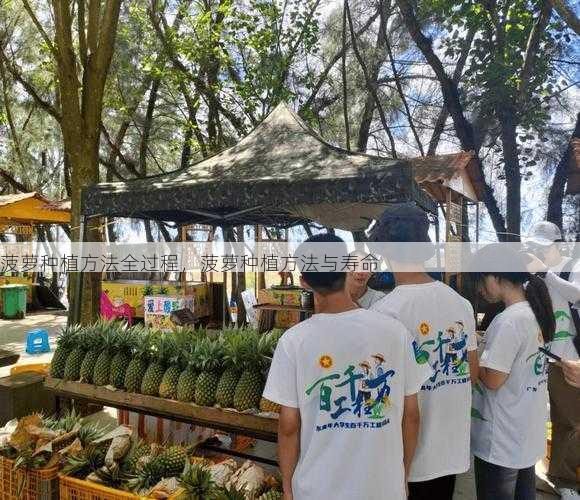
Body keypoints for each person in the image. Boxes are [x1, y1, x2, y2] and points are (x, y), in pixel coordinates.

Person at [263, 233, 432, 500]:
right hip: (382, 486)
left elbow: (289, 426)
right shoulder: (396, 333)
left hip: (318, 489)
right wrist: (402, 475)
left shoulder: (293, 341)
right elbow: (411, 415)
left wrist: (287, 488)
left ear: (304, 282)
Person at [369, 205, 479, 500]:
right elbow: (473, 372)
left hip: (407, 456)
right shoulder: (461, 304)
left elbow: (385, 394)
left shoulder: (384, 312)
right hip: (451, 449)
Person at [469, 244, 556, 500]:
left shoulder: (509, 320)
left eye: (480, 280)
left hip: (501, 438)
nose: (480, 289)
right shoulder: (536, 312)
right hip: (525, 432)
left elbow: (494, 379)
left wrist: (471, 355)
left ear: (495, 276)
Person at [527, 221, 580, 499]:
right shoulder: (535, 274)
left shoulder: (573, 266)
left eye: (543, 247)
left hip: (569, 359)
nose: (538, 251)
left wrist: (545, 273)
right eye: (534, 246)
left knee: (573, 422)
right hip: (541, 357)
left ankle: (565, 479)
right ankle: (556, 475)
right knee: (555, 420)